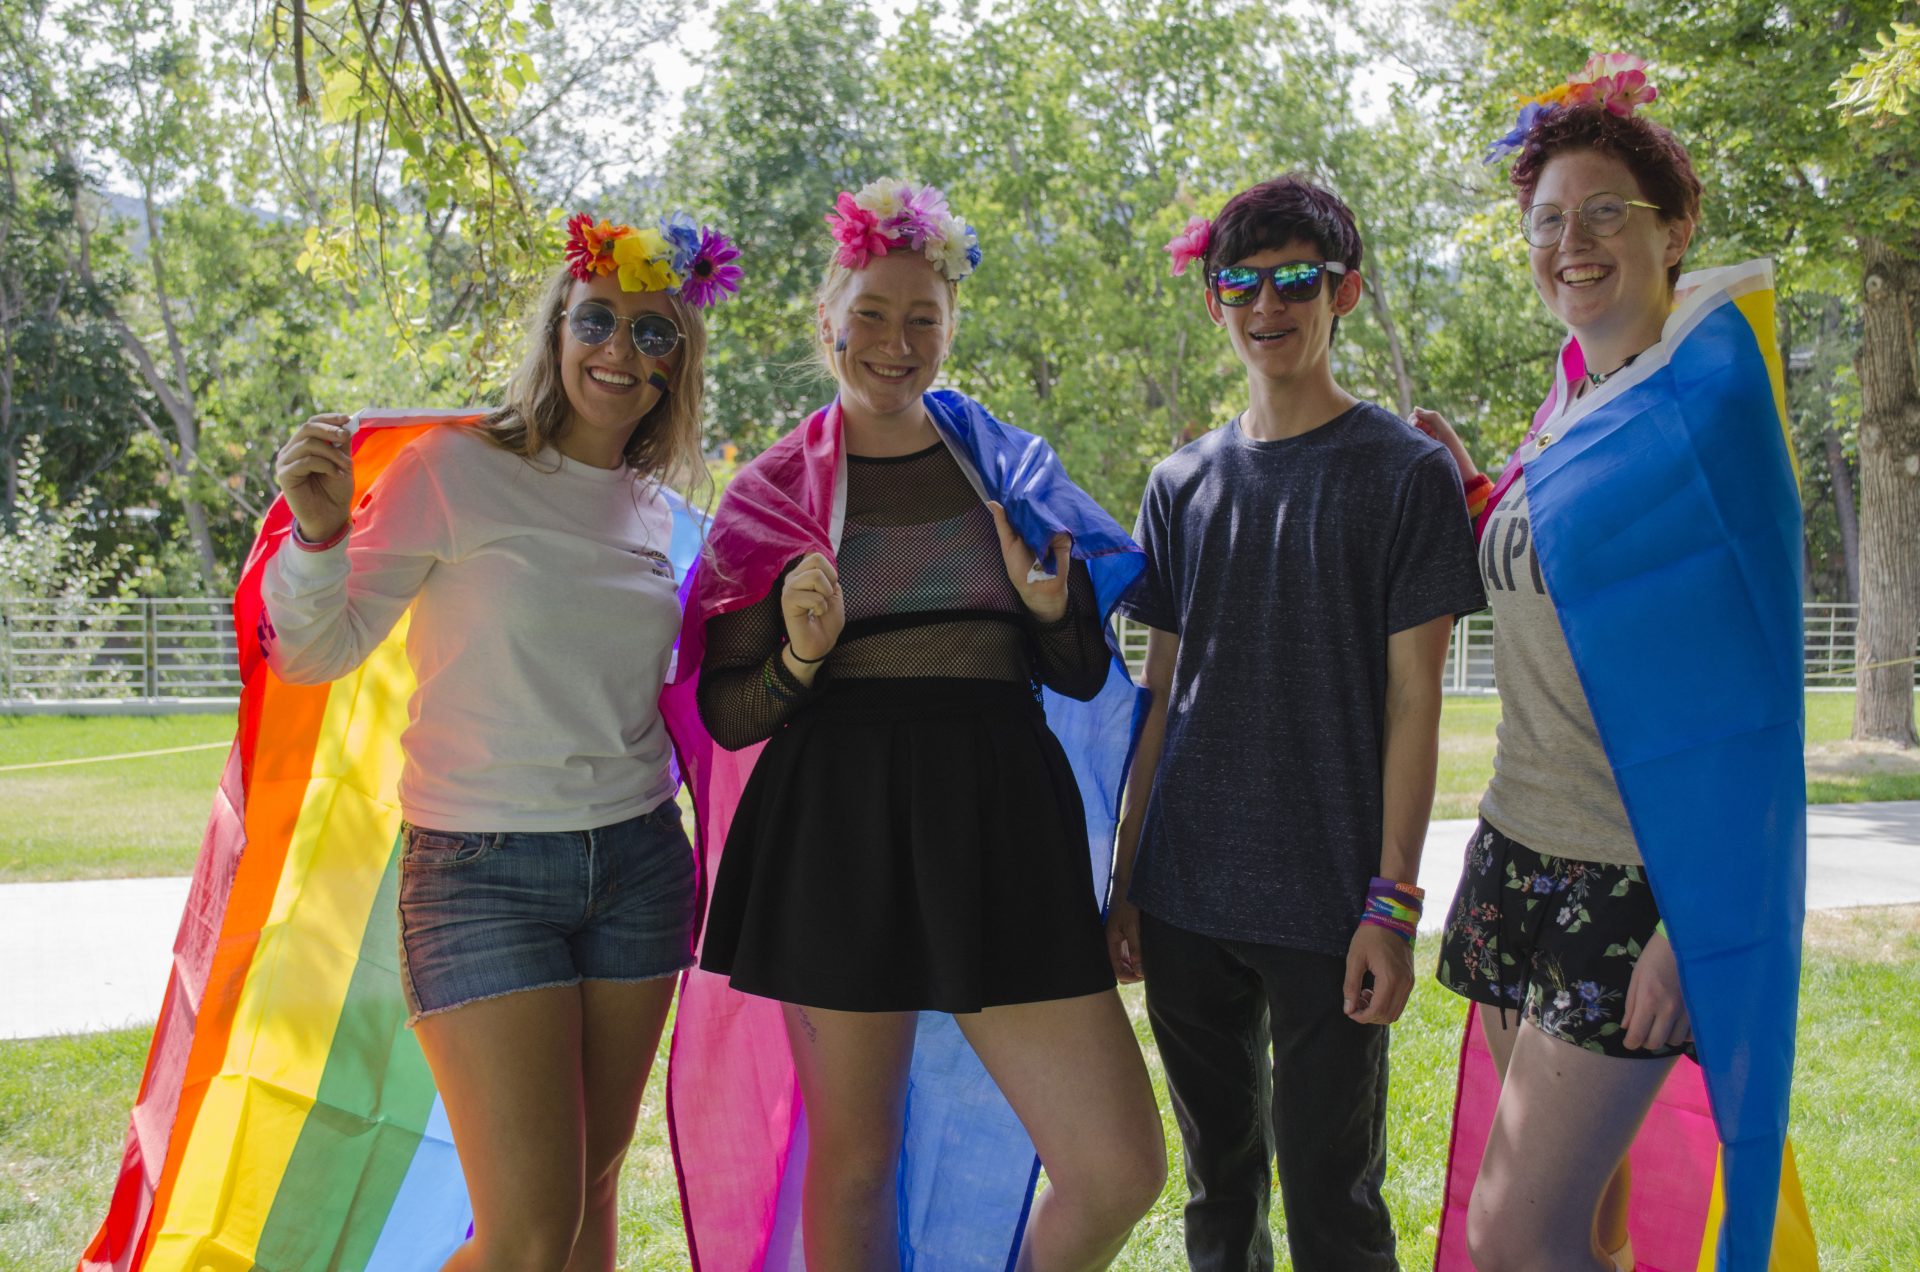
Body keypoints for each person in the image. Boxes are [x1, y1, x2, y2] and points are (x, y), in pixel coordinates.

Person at [675, 177, 1165, 1271]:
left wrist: (1050, 612)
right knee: (855, 1162)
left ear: (950, 328)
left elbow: (1084, 674)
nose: (897, 344)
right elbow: (725, 708)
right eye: (873, 317)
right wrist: (801, 660)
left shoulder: (1004, 467)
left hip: (999, 820)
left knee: (1119, 1164)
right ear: (828, 324)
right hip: (836, 833)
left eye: (922, 320)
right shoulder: (770, 495)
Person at [260, 210, 740, 1271]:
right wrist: (319, 534)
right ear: (558, 329)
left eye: (654, 335)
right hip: (480, 873)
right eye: (599, 320)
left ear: (675, 369)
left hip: (637, 866)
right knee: (527, 1237)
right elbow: (312, 651)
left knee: (592, 1189)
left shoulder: (655, 512)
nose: (621, 350)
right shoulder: (451, 468)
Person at [1417, 55, 1806, 1270]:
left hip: (1631, 885)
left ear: (1674, 228)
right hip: (1519, 846)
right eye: (1546, 221)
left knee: (1517, 1235)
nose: (1570, 242)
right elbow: (1581, 582)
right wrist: (1480, 486)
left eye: (1604, 213)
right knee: (1586, 1225)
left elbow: (1756, 694)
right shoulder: (1576, 403)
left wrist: (1697, 925)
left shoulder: (1709, 402)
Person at [1109, 175, 1486, 1271]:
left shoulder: (1404, 475)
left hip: (1328, 903)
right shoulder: (1181, 483)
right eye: (1241, 283)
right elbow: (1160, 695)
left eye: (1295, 282)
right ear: (1214, 299)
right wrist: (1131, 880)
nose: (1266, 306)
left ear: (1345, 293)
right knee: (1218, 1195)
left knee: (1333, 1199)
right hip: (1185, 897)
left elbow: (1418, 705)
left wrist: (1392, 901)